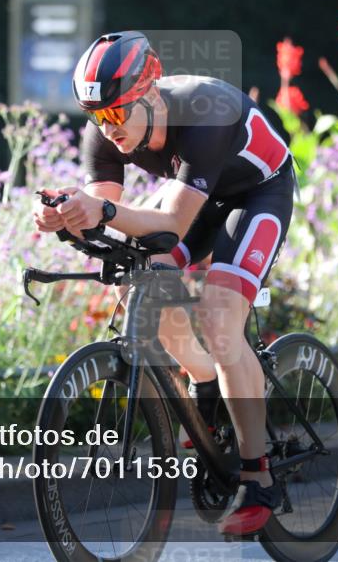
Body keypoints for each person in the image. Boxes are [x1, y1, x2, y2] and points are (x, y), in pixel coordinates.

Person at [32, 31, 295, 535]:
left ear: (149, 94)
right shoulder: (106, 131)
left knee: (221, 320)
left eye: (116, 113)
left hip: (257, 195)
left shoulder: (206, 112)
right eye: (97, 116)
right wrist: (65, 214)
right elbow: (105, 215)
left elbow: (171, 222)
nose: (107, 129)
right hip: (197, 199)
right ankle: (204, 382)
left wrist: (103, 210)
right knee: (137, 283)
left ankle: (258, 477)